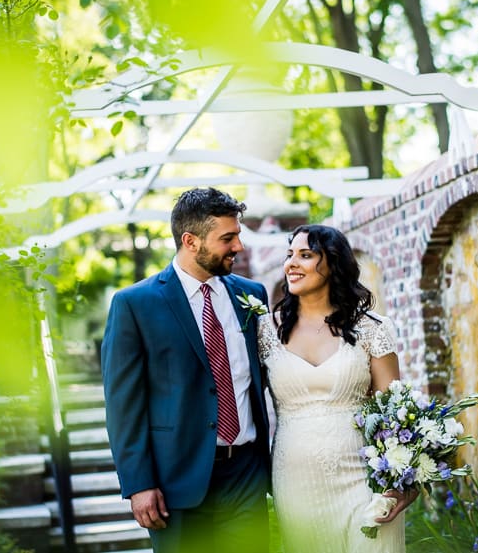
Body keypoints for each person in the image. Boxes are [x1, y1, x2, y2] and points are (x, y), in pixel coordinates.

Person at [101, 187, 272, 553]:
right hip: (174, 481)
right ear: (190, 241)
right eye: (227, 238)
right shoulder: (135, 305)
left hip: (246, 476)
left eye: (238, 235)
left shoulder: (252, 295)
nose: (238, 247)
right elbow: (122, 405)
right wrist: (138, 483)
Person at [257, 224, 417, 553]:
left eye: (305, 255)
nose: (291, 264)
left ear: (333, 263)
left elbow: (393, 411)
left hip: (366, 482)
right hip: (297, 484)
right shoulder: (265, 330)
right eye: (289, 255)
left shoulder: (373, 328)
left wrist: (403, 482)